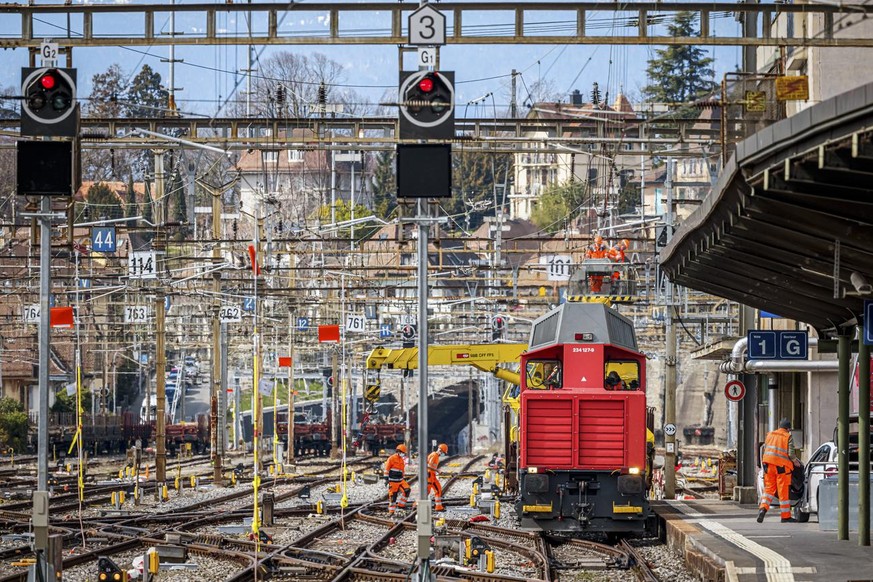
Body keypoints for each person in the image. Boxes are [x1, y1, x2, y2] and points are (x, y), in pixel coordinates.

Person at [758, 418, 800, 523]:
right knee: (783, 491)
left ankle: (763, 509)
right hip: (781, 467)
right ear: (788, 428)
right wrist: (795, 462)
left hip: (768, 465)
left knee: (769, 489)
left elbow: (766, 448)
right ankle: (785, 516)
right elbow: (790, 454)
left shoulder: (770, 434)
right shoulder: (787, 436)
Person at [384, 444, 411, 516]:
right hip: (393, 481)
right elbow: (387, 469)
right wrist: (386, 479)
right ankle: (391, 511)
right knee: (393, 497)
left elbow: (402, 470)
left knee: (407, 490)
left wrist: (403, 476)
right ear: (399, 452)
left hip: (401, 480)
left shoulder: (401, 460)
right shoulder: (391, 458)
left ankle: (401, 505)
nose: (403, 454)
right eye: (403, 452)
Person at [427, 443, 448, 512]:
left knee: (438, 490)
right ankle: (417, 505)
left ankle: (438, 507)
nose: (443, 454)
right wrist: (437, 470)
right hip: (429, 476)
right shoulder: (434, 455)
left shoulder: (435, 455)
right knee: (426, 492)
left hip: (432, 476)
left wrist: (436, 471)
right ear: (441, 451)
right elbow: (428, 466)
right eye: (444, 453)